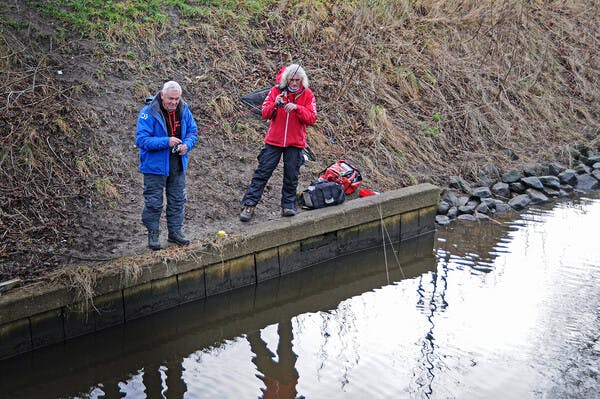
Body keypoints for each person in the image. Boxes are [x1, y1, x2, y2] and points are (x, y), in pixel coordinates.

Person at [240, 64, 317, 222]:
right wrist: (275, 103)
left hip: (295, 143)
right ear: (286, 80)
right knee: (262, 172)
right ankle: (249, 205)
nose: (294, 83)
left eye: (297, 80)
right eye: (291, 80)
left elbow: (311, 118)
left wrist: (297, 108)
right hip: (274, 141)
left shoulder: (308, 95)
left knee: (291, 175)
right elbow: (264, 112)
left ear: (302, 80)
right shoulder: (276, 91)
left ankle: (288, 205)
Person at [136, 81, 198, 250]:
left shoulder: (184, 110)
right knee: (154, 202)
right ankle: (153, 234)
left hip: (177, 163)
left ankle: (175, 233)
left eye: (177, 99)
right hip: (154, 167)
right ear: (162, 95)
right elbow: (141, 140)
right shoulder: (148, 113)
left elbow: (193, 132)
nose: (173, 102)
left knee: (178, 200)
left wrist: (187, 145)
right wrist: (167, 141)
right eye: (171, 98)